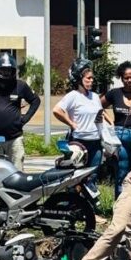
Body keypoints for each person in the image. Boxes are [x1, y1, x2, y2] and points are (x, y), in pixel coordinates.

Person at [53, 58, 105, 192]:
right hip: (78, 142)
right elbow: (57, 110)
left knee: (92, 178)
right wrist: (71, 123)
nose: (91, 81)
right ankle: (71, 205)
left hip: (95, 142)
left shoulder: (94, 96)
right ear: (79, 78)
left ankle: (88, 209)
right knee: (74, 178)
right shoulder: (73, 96)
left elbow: (100, 115)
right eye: (88, 78)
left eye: (92, 78)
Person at [102, 61, 131, 197]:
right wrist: (109, 120)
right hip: (119, 137)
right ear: (121, 78)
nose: (130, 80)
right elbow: (98, 106)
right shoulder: (114, 93)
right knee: (121, 172)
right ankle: (120, 207)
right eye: (126, 78)